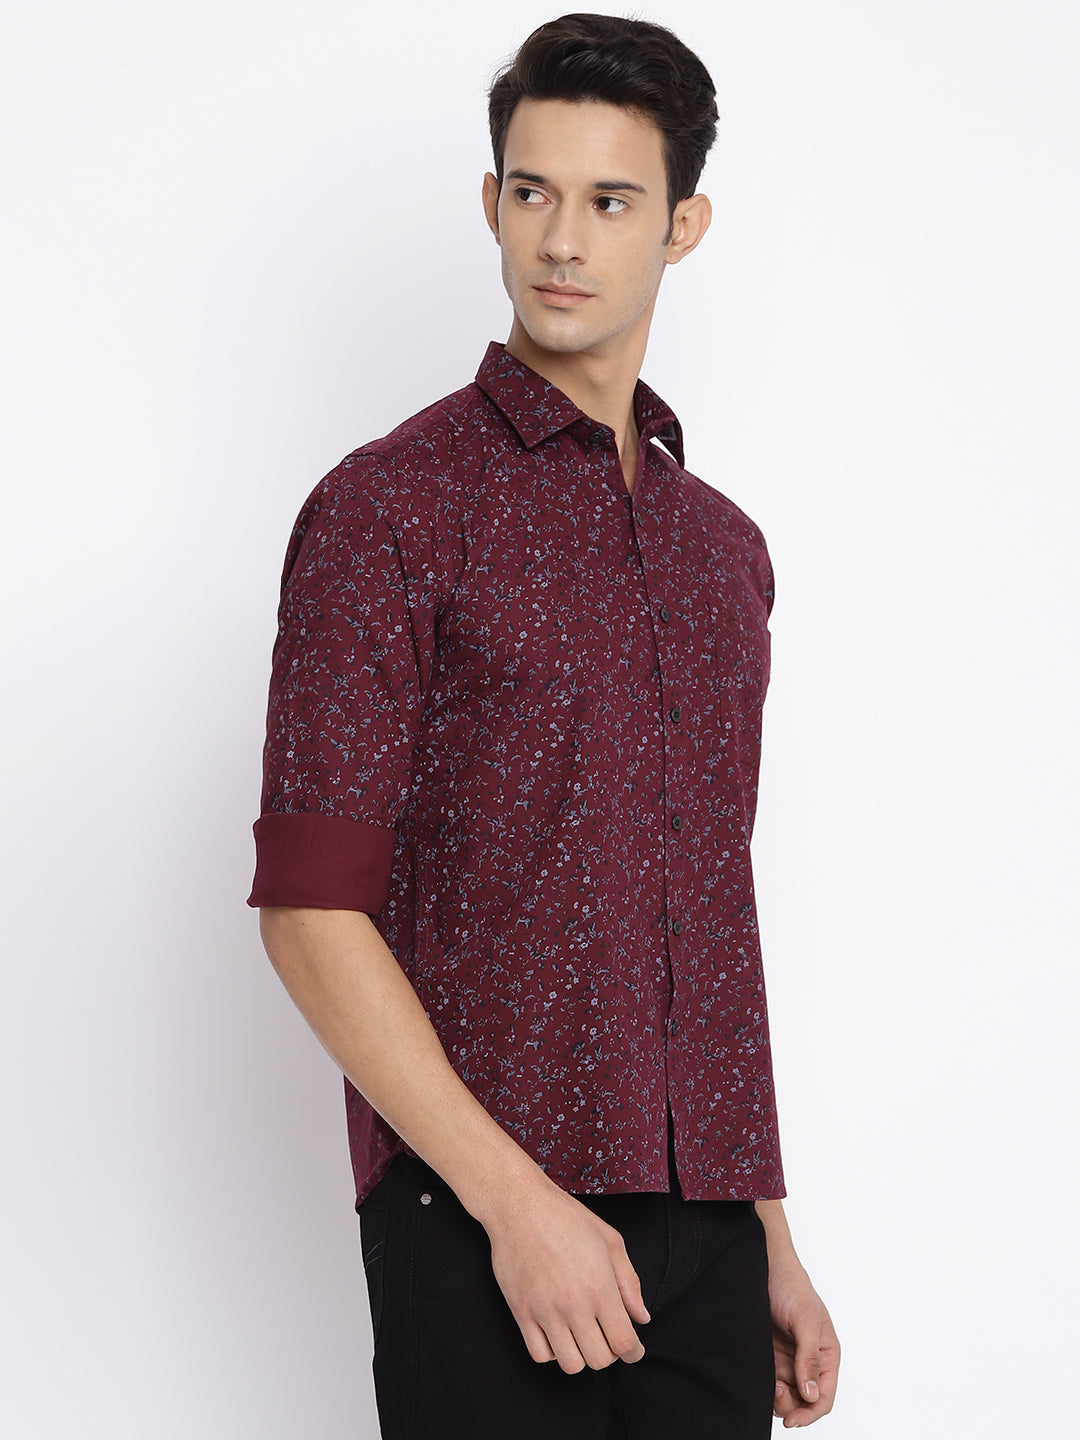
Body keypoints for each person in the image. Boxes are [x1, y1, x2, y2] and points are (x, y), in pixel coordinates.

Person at [247, 13, 839, 1438]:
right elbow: (311, 910)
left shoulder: (724, 553)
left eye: (611, 201)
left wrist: (766, 1231)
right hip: (482, 1224)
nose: (561, 241)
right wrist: (515, 1206)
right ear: (491, 201)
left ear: (683, 225)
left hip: (710, 1235)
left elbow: (705, 909)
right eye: (532, 192)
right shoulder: (386, 511)